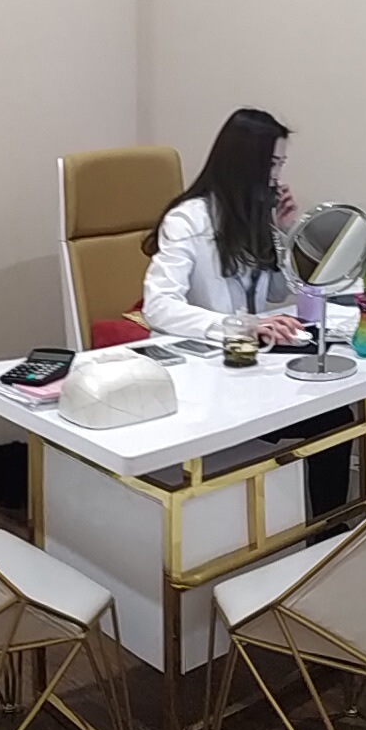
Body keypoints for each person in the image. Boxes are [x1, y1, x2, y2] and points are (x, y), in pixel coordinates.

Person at [142, 107, 353, 516]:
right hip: (203, 373)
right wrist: (241, 325)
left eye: (281, 164)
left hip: (247, 368)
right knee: (331, 420)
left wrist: (287, 231)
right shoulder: (188, 220)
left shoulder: (254, 216)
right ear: (246, 163)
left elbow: (276, 290)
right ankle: (322, 528)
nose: (277, 176)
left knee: (334, 415)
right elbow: (159, 306)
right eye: (272, 163)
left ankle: (330, 529)